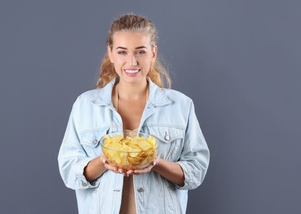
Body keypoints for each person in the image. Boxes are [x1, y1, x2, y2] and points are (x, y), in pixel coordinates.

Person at [58, 13, 210, 214]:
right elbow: (69, 170)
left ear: (153, 54)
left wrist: (155, 162)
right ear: (110, 54)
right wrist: (104, 161)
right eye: (122, 52)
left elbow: (196, 170)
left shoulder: (181, 106)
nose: (132, 61)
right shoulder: (85, 105)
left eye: (140, 52)